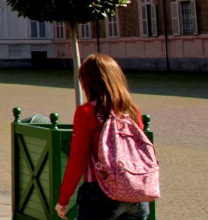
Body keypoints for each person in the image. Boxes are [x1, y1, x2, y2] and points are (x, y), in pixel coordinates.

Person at [56, 54, 152, 220]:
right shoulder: (133, 112)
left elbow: (77, 161)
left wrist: (63, 199)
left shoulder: (86, 113)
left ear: (88, 83)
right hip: (136, 195)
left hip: (101, 194)